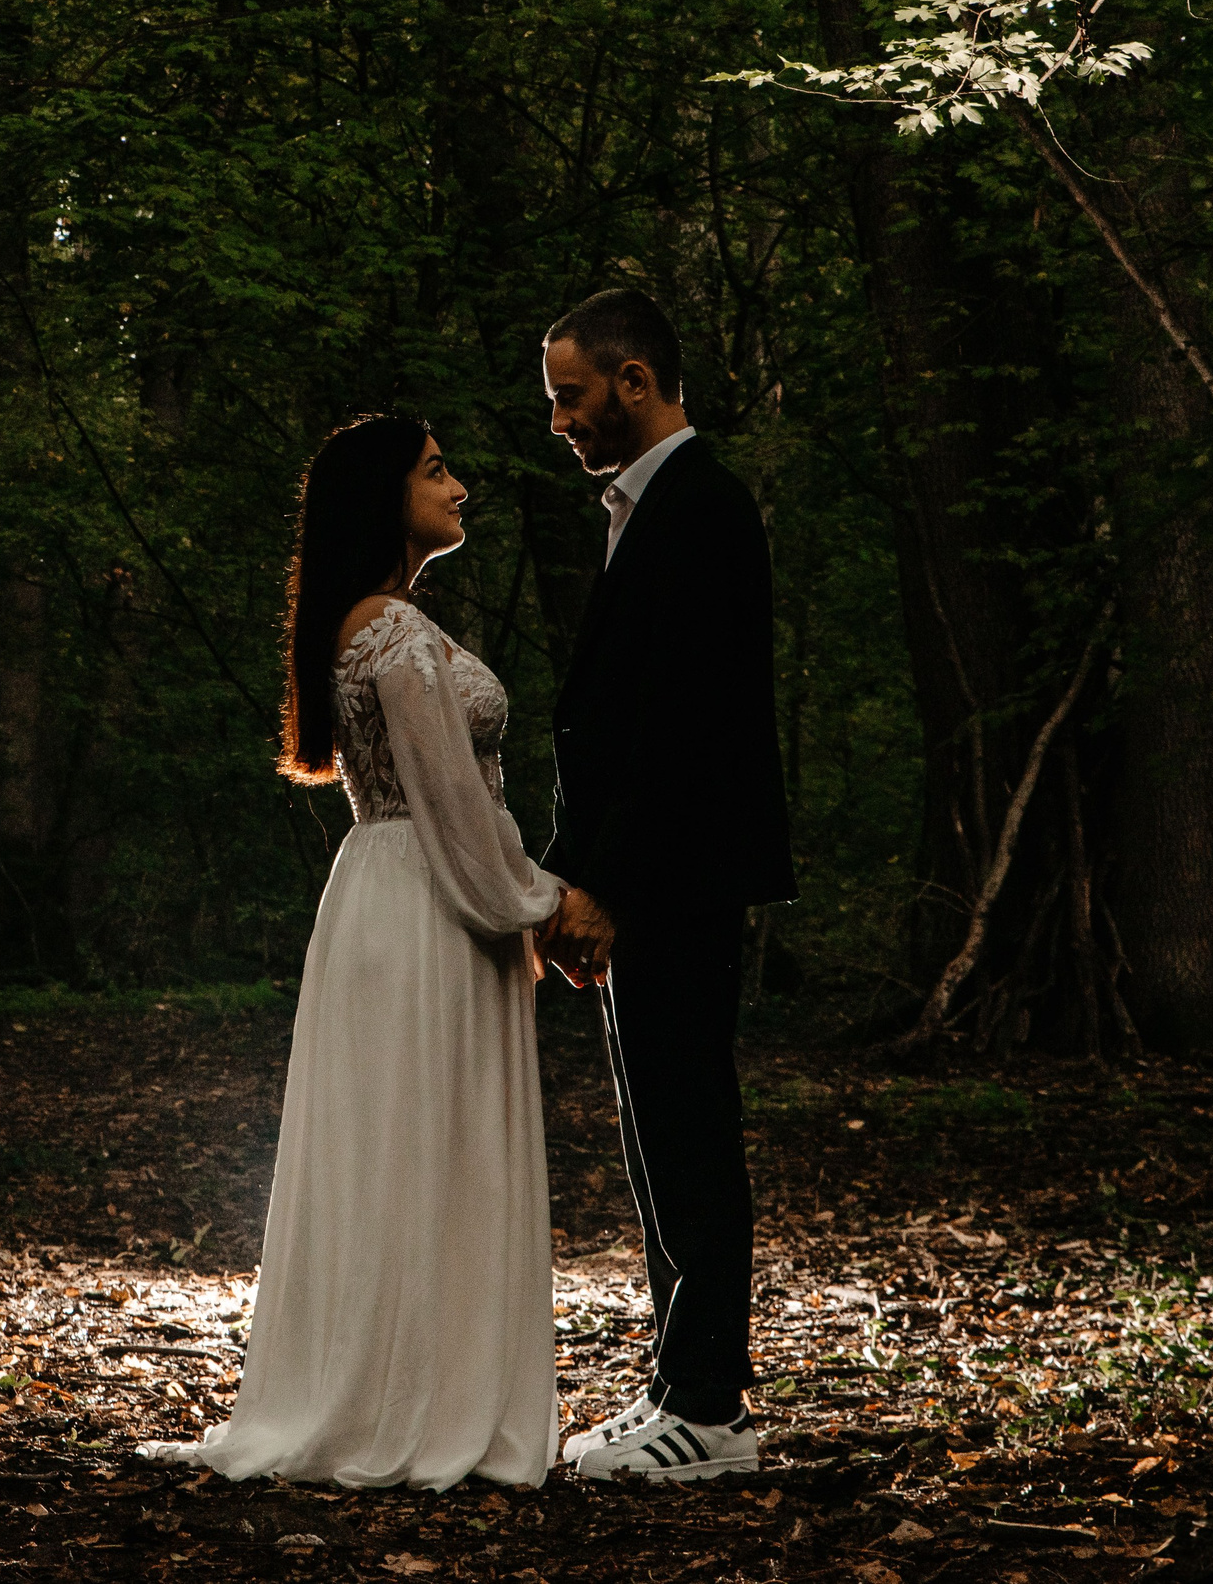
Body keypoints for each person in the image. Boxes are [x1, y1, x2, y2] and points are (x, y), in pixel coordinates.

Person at [138, 414, 564, 1489]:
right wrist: (540, 902)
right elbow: (451, 801)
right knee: (426, 1144)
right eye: (436, 471)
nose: (459, 487)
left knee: (403, 1146)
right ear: (385, 496)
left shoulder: (371, 623)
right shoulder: (392, 631)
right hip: (430, 896)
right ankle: (415, 1406)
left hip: (388, 889)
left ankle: (407, 1388)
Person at [534, 288, 797, 1482]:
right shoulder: (646, 508)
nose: (560, 420)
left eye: (571, 396)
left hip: (680, 876)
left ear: (633, 380)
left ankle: (710, 1406)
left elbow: (682, 723)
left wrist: (608, 882)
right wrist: (570, 870)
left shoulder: (702, 505)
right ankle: (676, 1384)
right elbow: (611, 718)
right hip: (647, 875)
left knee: (687, 1129)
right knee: (655, 1134)